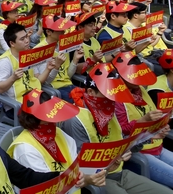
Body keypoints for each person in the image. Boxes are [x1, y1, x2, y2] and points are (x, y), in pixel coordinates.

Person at [63, 64, 173, 194]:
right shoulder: (75, 119)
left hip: (120, 173)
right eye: (108, 94)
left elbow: (123, 144)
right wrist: (112, 162)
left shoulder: (109, 109)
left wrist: (148, 136)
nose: (113, 100)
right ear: (91, 92)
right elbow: (82, 167)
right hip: (99, 179)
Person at [9, 89, 106, 193]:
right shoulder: (25, 149)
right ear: (34, 117)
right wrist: (84, 180)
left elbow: (77, 167)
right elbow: (47, 187)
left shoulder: (59, 133)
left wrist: (88, 178)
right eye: (48, 113)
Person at [112, 52, 173, 189]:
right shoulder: (116, 98)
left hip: (158, 145)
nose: (137, 80)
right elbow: (122, 132)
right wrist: (143, 120)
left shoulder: (140, 90)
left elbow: (154, 117)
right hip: (139, 152)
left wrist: (161, 127)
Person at [0, 23, 59, 119]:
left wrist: (48, 69)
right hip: (16, 105)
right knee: (46, 116)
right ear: (12, 43)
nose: (27, 41)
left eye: (26, 37)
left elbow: (38, 80)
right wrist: (13, 78)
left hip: (35, 97)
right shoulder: (5, 62)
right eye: (22, 39)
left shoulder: (28, 56)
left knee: (56, 108)